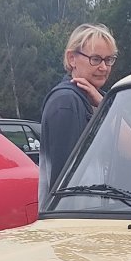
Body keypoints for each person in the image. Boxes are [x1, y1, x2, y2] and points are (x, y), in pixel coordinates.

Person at [38, 23, 117, 210]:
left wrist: (103, 104)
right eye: (96, 59)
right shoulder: (66, 103)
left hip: (95, 215)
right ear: (72, 58)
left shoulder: (94, 99)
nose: (104, 67)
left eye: (109, 59)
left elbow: (130, 148)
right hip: (76, 218)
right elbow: (65, 182)